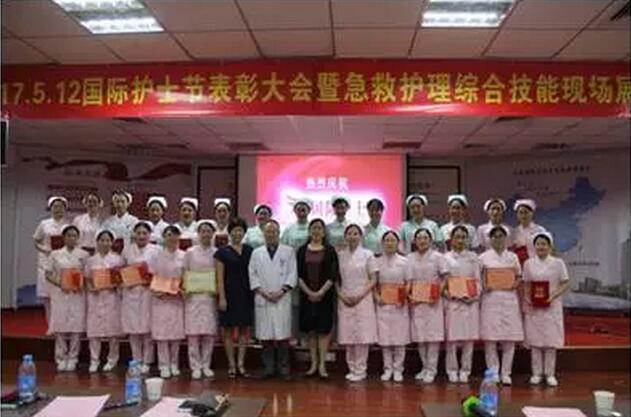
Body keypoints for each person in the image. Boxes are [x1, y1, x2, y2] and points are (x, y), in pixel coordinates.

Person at [249, 220, 297, 380]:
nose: (271, 234)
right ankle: (268, 368)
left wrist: (281, 291)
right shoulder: (256, 253)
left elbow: (292, 273)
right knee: (266, 337)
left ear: (279, 233)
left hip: (282, 298)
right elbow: (252, 274)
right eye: (268, 232)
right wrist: (263, 292)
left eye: (274, 231)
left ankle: (284, 369)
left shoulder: (288, 251)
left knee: (283, 336)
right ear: (264, 234)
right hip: (263, 297)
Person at [523, 232, 570, 387]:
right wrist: (528, 298)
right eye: (538, 244)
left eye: (544, 244)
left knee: (550, 342)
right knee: (535, 341)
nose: (541, 246)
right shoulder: (528, 263)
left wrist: (553, 296)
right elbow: (526, 284)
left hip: (552, 305)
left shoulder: (558, 263)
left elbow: (565, 283)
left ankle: (550, 374)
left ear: (550, 246)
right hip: (534, 306)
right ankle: (536, 373)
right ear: (534, 246)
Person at [479, 225, 524, 385]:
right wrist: (484, 286)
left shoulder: (512, 257)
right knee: (490, 340)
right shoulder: (483, 257)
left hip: (509, 298)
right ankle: (493, 373)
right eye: (495, 236)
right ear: (490, 239)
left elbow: (519, 277)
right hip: (490, 299)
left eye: (501, 236)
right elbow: (478, 278)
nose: (498, 239)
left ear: (506, 239)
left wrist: (514, 284)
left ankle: (506, 373)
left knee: (509, 339)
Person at [297, 219, 340, 379]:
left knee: (323, 330)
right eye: (313, 228)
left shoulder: (330, 250)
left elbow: (333, 274)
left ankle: (322, 365)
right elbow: (298, 274)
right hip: (306, 296)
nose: (316, 231)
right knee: (311, 331)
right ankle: (313, 364)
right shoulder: (301, 250)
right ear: (309, 231)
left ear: (324, 232)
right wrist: (309, 292)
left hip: (325, 296)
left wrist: (321, 292)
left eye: (319, 228)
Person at [44, 225, 89, 372]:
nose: (71, 238)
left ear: (78, 238)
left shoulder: (84, 255)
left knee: (76, 327)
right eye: (68, 235)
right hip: (60, 293)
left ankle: (73, 358)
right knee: (60, 326)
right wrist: (61, 283)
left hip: (77, 294)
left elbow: (88, 275)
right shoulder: (55, 254)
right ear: (64, 238)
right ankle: (61, 357)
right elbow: (48, 274)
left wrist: (80, 283)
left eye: (74, 236)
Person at [407, 228, 449, 384]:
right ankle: (424, 367)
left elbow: (445, 277)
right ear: (415, 241)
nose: (422, 241)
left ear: (430, 240)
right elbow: (408, 280)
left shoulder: (438, 257)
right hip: (417, 301)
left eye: (425, 238)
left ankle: (432, 370)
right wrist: (409, 295)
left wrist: (438, 294)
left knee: (432, 338)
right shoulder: (410, 258)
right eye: (419, 238)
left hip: (433, 302)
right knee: (421, 337)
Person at [337, 224, 377, 382]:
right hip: (345, 298)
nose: (352, 236)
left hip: (363, 298)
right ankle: (351, 368)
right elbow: (336, 280)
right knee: (348, 336)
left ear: (361, 236)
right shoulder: (340, 255)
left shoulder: (368, 254)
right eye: (349, 233)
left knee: (361, 337)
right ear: (345, 236)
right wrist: (341, 295)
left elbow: (373, 279)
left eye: (355, 233)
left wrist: (360, 295)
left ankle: (361, 370)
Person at [216, 217, 254, 378]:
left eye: (240, 230)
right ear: (229, 232)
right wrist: (222, 297)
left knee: (244, 330)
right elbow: (219, 278)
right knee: (228, 331)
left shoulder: (250, 250)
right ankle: (231, 365)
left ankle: (241, 364)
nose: (237, 233)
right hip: (229, 295)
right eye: (234, 230)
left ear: (244, 233)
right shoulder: (222, 252)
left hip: (246, 294)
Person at [444, 225, 482, 384]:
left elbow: (478, 280)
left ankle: (466, 370)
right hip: (452, 302)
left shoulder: (473, 257)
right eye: (457, 237)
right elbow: (442, 282)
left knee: (468, 340)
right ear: (451, 239)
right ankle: (452, 370)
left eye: (463, 237)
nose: (460, 240)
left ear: (467, 239)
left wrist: (475, 296)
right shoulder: (445, 257)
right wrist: (448, 294)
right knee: (452, 340)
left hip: (469, 302)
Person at [121, 221, 160, 374]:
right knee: (133, 330)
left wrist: (150, 278)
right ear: (134, 235)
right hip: (131, 292)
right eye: (139, 233)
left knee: (147, 329)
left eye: (145, 233)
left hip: (148, 292)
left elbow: (160, 271)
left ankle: (147, 361)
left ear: (150, 235)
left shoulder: (156, 250)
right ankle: (136, 360)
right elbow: (122, 270)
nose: (142, 236)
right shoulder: (127, 250)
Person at [84, 229, 124, 373]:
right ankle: (94, 360)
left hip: (112, 297)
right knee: (94, 332)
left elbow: (122, 279)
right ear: (97, 242)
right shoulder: (91, 260)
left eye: (108, 240)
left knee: (113, 332)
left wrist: (115, 284)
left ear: (112, 242)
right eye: (102, 240)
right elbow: (87, 279)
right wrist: (91, 288)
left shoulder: (118, 259)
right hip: (95, 297)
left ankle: (112, 360)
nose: (105, 243)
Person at [183, 219, 218, 380]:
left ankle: (206, 365)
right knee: (193, 334)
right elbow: (185, 272)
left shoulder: (216, 252)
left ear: (213, 234)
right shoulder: (190, 252)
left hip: (209, 296)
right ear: (198, 233)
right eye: (202, 231)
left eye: (208, 231)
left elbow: (219, 274)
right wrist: (185, 288)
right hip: (193, 296)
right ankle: (195, 366)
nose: (205, 234)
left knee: (208, 334)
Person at [150, 225, 186, 379]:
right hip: (161, 299)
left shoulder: (184, 255)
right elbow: (152, 275)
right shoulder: (156, 256)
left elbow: (186, 276)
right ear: (164, 237)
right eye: (168, 235)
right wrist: (158, 289)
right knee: (162, 335)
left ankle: (174, 363)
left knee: (175, 334)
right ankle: (163, 365)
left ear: (179, 237)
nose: (172, 238)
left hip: (177, 298)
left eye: (174, 235)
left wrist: (183, 288)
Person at [374, 230, 410, 382]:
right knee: (385, 340)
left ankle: (398, 369)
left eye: (392, 240)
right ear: (382, 243)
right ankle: (387, 369)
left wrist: (403, 296)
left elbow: (409, 282)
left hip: (399, 304)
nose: (389, 243)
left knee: (399, 339)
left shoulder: (404, 261)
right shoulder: (376, 262)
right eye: (387, 240)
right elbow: (374, 284)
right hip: (383, 304)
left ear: (398, 243)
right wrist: (377, 297)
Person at [33, 196, 70, 324]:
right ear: (51, 208)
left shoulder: (68, 225)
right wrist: (45, 250)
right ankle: (50, 325)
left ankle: (61, 324)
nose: (58, 209)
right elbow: (36, 241)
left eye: (61, 206)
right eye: (55, 206)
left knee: (61, 295)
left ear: (65, 209)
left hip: (63, 263)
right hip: (46, 262)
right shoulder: (44, 224)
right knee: (47, 296)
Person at [512, 199, 547, 266]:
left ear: (532, 213)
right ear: (517, 215)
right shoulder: (514, 232)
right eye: (521, 213)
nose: (523, 215)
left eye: (526, 212)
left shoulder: (540, 230)